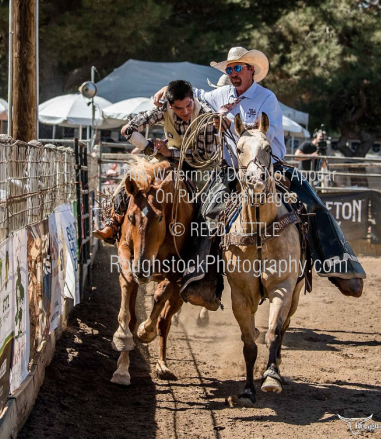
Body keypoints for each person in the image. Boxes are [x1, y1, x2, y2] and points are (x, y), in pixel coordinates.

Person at [154, 47, 366, 309]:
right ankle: (204, 279)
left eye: (237, 68)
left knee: (312, 204)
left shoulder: (267, 98)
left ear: (250, 70)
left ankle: (340, 266)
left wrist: (230, 124)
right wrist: (167, 88)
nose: (232, 73)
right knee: (206, 212)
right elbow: (192, 93)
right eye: (229, 69)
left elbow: (265, 135)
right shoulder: (220, 94)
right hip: (232, 171)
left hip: (270, 168)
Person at [92, 79, 218, 243]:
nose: (186, 111)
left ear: (193, 99)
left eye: (189, 105)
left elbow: (204, 154)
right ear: (170, 106)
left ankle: (209, 239)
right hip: (169, 160)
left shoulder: (206, 116)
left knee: (210, 199)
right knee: (133, 178)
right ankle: (113, 223)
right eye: (179, 108)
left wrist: (170, 153)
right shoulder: (163, 110)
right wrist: (150, 148)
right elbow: (128, 130)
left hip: (200, 166)